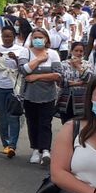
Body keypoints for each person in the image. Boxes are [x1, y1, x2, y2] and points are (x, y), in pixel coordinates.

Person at [19, 28, 63, 165]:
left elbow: (57, 75)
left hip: (48, 95)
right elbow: (24, 71)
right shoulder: (25, 52)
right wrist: (38, 60)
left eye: (41, 37)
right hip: (29, 95)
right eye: (35, 37)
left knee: (45, 123)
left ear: (46, 39)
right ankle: (35, 149)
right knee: (32, 122)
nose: (38, 40)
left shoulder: (53, 54)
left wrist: (37, 77)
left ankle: (45, 150)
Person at [0, 26, 23, 158]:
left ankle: (13, 144)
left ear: (14, 36)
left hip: (14, 88)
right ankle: (6, 144)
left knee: (13, 116)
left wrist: (16, 60)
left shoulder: (21, 50)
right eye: (4, 36)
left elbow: (25, 69)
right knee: (2, 117)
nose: (7, 39)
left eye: (9, 36)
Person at [55, 41, 90, 123]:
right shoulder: (63, 64)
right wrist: (80, 83)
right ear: (71, 51)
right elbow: (61, 82)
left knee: (80, 125)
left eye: (81, 51)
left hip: (82, 101)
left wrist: (78, 66)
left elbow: (89, 79)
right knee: (66, 124)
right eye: (76, 50)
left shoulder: (87, 64)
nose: (78, 53)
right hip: (65, 100)